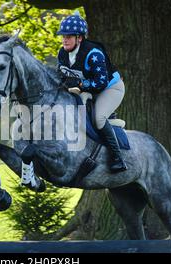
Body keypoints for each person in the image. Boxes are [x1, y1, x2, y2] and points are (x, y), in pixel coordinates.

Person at [56, 11, 127, 173]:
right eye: (63, 36)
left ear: (79, 38)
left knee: (98, 119)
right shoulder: (62, 53)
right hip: (88, 88)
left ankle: (118, 158)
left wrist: (80, 85)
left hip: (110, 88)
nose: (64, 39)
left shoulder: (93, 53)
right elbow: (60, 76)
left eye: (69, 36)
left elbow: (100, 83)